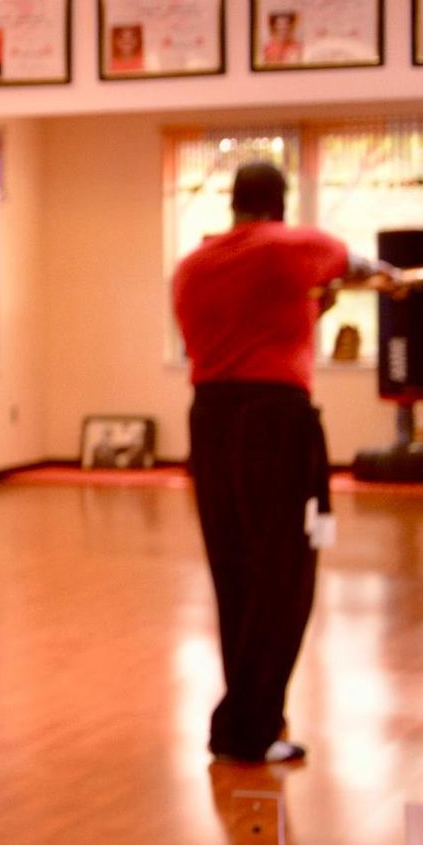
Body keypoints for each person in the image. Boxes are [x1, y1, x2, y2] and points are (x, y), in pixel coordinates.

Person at [170, 161, 395, 766]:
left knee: (235, 572)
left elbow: (249, 329)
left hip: (210, 421)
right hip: (274, 420)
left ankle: (248, 722)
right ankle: (247, 725)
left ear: (234, 202)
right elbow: (359, 266)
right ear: (280, 203)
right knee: (285, 578)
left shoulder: (191, 266)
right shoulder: (293, 246)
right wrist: (391, 279)